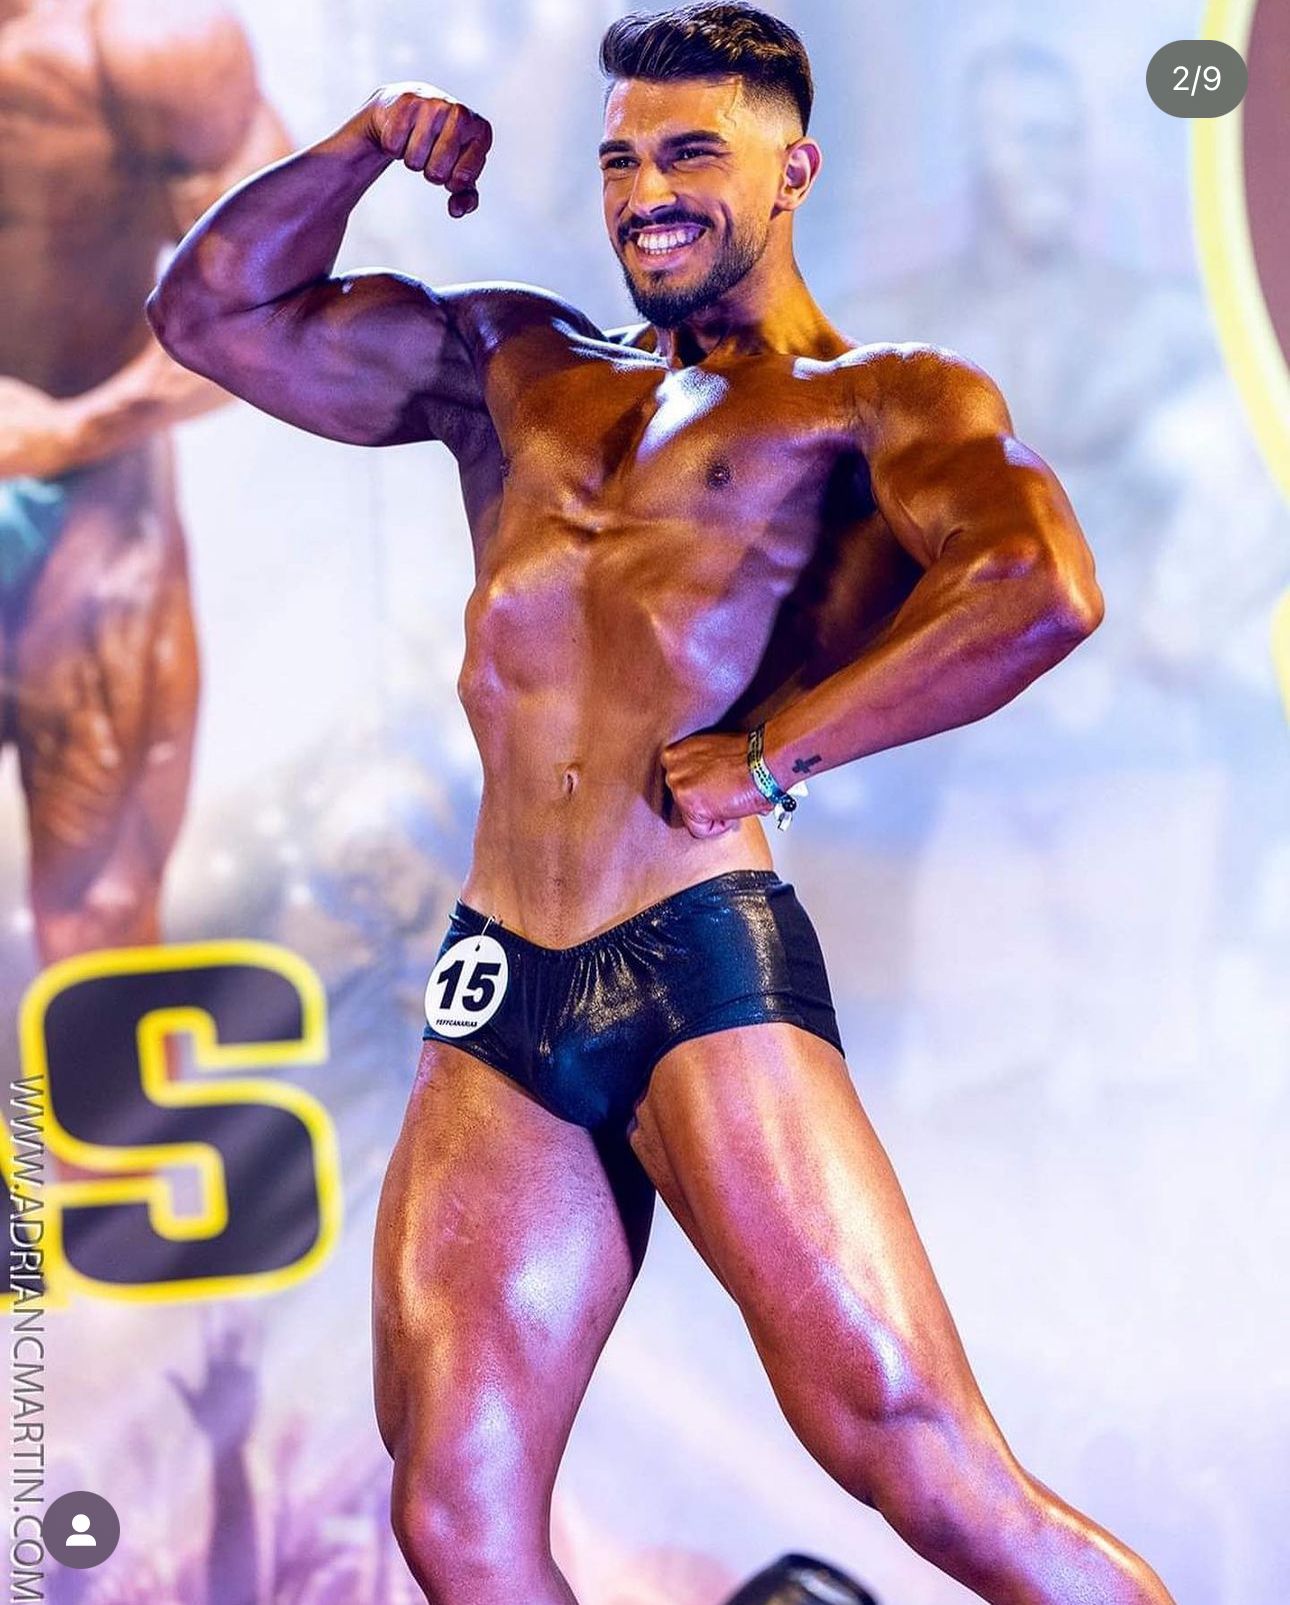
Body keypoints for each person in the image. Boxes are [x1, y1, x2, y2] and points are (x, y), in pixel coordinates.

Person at [148, 6, 1178, 1603]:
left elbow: (1039, 587)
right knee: (454, 1516)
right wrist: (360, 148)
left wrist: (775, 754)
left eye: (692, 153)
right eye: (620, 160)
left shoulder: (870, 399)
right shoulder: (519, 366)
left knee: (917, 1458)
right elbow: (212, 314)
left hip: (695, 953)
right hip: (499, 977)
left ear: (792, 171)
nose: (646, 194)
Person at [0, 0, 290, 962]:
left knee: (100, 918)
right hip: (76, 482)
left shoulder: (146, 41)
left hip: (82, 522)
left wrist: (72, 431)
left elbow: (263, 302)